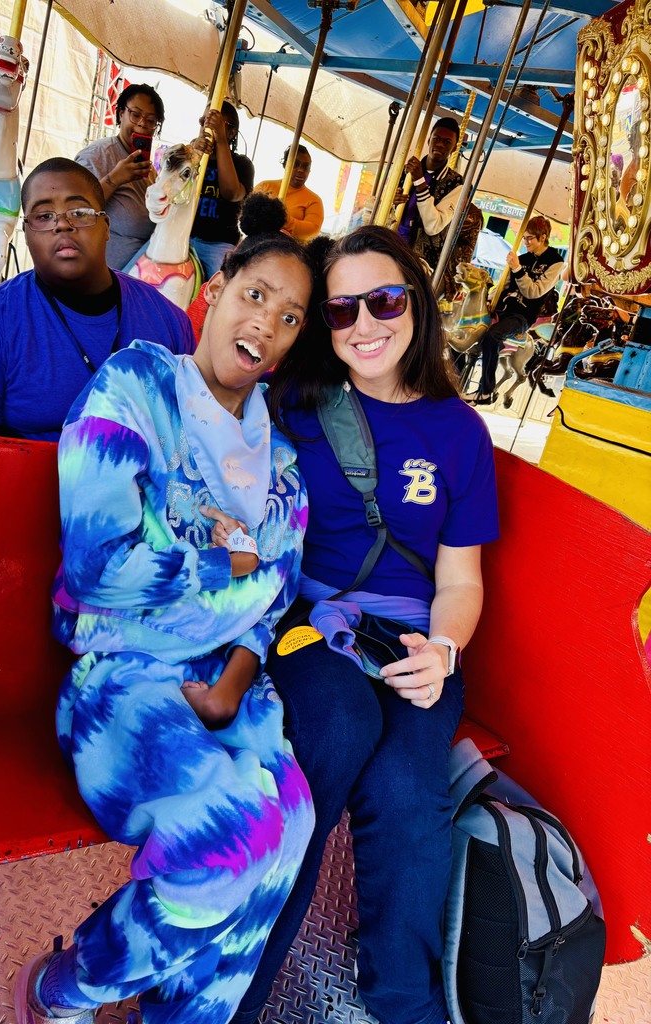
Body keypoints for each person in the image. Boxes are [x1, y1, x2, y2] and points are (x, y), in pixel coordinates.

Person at [13, 196, 317, 1024]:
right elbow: (102, 565)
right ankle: (68, 987)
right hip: (121, 685)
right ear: (215, 286)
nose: (266, 325)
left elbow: (276, 595)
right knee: (227, 844)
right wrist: (232, 563)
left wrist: (232, 669)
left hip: (226, 690)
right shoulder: (140, 384)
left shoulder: (282, 463)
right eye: (256, 294)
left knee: (291, 826)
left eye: (290, 318)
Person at [233, 225, 499, 1024]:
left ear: (415, 302)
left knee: (409, 787)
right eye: (342, 310)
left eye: (383, 300)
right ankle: (236, 988)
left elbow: (461, 578)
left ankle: (404, 1003)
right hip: (309, 618)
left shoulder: (460, 432)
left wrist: (444, 651)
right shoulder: (297, 405)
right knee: (337, 733)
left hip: (414, 635)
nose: (364, 325)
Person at [0, 158, 195, 440]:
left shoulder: (170, 321)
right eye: (44, 216)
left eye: (80, 212)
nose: (62, 225)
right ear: (27, 234)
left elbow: (194, 433)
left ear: (105, 226)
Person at [466, 215, 565, 405]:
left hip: (522, 315)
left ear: (543, 237)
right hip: (502, 308)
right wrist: (488, 298)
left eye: (530, 239)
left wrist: (518, 268)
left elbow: (534, 291)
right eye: (525, 238)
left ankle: (486, 391)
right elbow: (505, 284)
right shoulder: (523, 258)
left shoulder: (556, 262)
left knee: (493, 336)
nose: (526, 242)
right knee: (467, 329)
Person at [75, 83, 164, 270]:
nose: (142, 124)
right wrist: (114, 178)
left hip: (140, 273)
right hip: (99, 274)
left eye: (150, 120)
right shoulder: (97, 155)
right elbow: (75, 211)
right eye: (136, 115)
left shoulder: (148, 169)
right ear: (121, 113)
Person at [392, 117, 464, 288]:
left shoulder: (456, 184)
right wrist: (392, 203)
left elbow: (434, 225)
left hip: (420, 260)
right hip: (392, 242)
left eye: (447, 142)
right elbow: (382, 206)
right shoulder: (405, 170)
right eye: (436, 138)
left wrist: (419, 182)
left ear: (454, 148)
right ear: (428, 140)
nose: (440, 144)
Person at [189, 100, 255, 279]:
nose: (207, 127)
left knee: (221, 284)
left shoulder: (242, 165)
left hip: (217, 243)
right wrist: (194, 153)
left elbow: (231, 192)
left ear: (231, 132)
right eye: (205, 122)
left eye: (217, 124)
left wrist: (221, 141)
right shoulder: (191, 154)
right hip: (184, 235)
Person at [255, 145, 325, 241]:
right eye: (295, 164)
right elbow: (250, 216)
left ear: (309, 170)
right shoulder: (264, 187)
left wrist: (283, 219)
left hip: (289, 251)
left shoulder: (314, 200)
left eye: (305, 167)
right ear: (285, 165)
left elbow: (312, 230)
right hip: (257, 244)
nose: (300, 170)